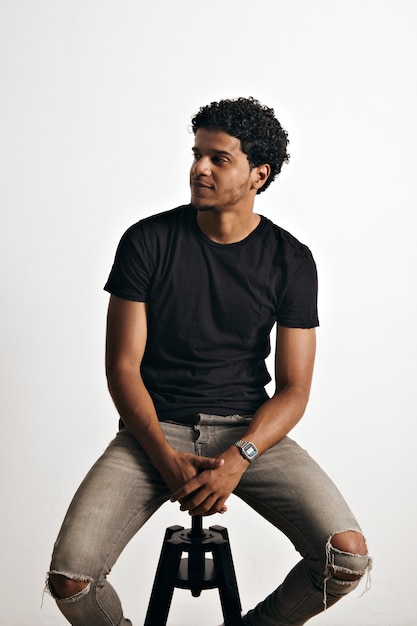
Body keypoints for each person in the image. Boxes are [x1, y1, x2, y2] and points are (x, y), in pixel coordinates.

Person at [47, 97, 371, 625]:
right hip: (154, 428)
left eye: (219, 159)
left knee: (346, 558)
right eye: (197, 154)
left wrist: (240, 456)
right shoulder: (147, 240)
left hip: (249, 433)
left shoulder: (290, 259)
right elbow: (122, 368)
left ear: (258, 175)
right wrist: (161, 455)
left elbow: (294, 389)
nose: (199, 167)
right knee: (71, 579)